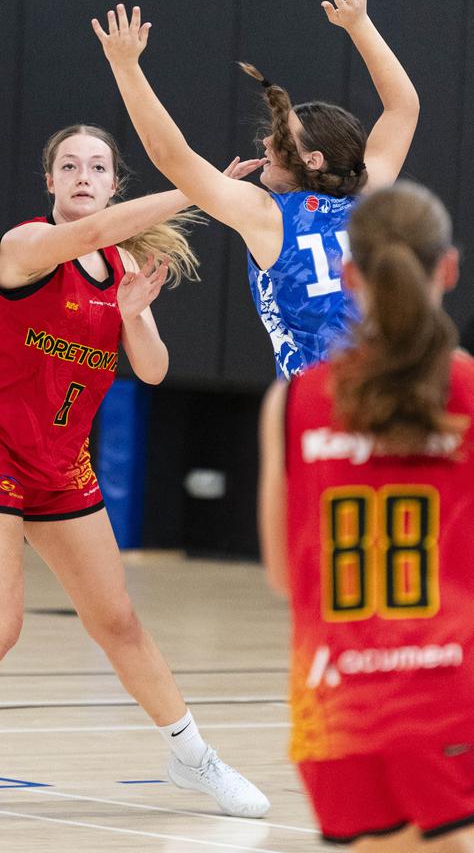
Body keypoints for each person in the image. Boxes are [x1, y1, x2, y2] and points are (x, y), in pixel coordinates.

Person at [0, 124, 270, 829]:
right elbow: (95, 231)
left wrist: (136, 318)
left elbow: (156, 370)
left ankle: (192, 755)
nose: (82, 175)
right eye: (68, 165)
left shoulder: (122, 269)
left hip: (60, 468)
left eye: (97, 166)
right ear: (50, 182)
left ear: (112, 182)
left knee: (119, 621)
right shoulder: (27, 247)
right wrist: (198, 185)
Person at [259, 181, 474, 849]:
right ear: (448, 268)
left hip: (337, 708)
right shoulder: (466, 392)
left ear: (349, 276)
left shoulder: (293, 403)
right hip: (448, 699)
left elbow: (284, 577)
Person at [92, 0, 420, 378]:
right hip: (394, 391)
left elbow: (170, 156)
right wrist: (360, 24)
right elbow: (403, 107)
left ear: (313, 160)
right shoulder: (367, 194)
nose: (267, 142)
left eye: (281, 137)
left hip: (323, 410)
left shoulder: (268, 215)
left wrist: (125, 67)